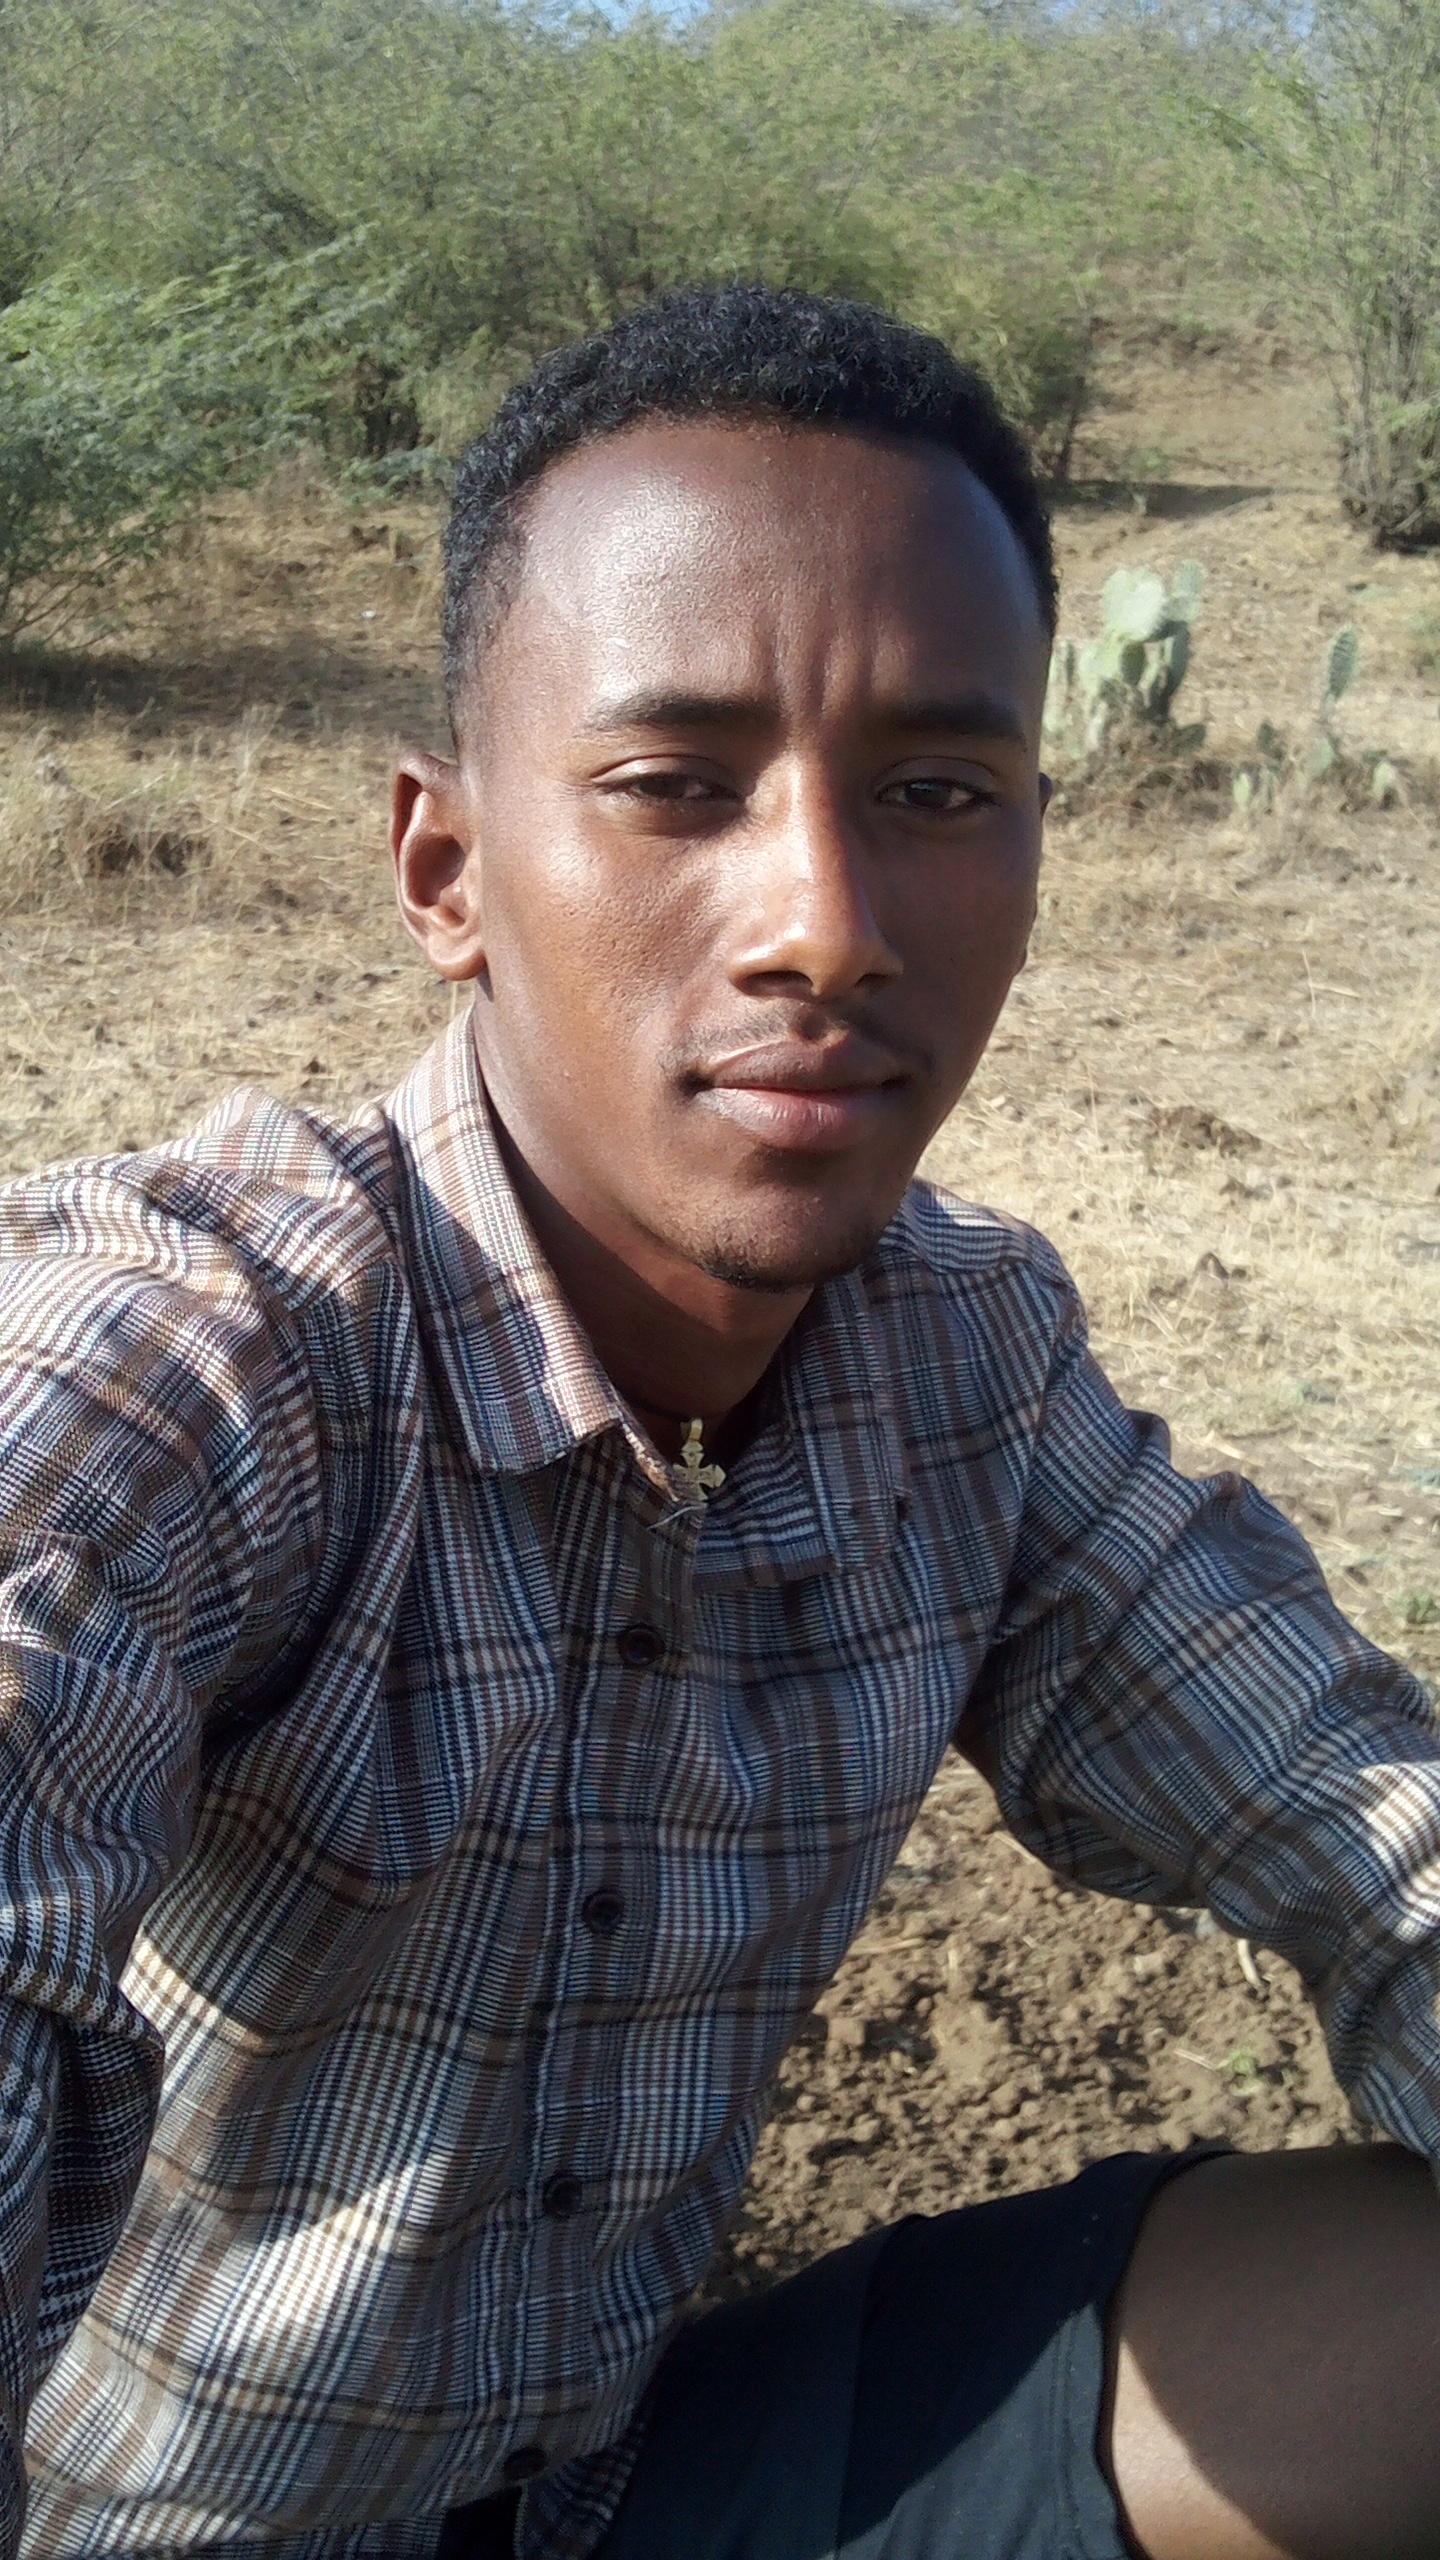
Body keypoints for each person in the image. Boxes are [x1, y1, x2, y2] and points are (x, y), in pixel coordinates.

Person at [1, 283, 1438, 2560]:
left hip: (626, 2485)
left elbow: (1368, 1821)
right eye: (677, 784)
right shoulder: (205, 1365)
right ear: (446, 870)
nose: (826, 924)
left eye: (936, 793)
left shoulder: (966, 1360)